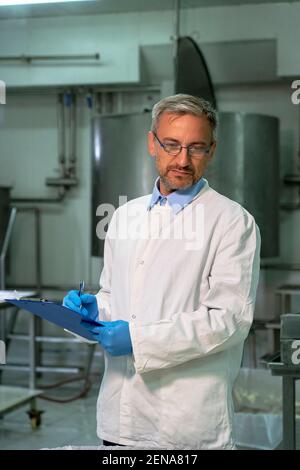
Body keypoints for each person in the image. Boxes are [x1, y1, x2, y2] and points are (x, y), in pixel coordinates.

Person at [63, 94, 260, 450]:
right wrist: (96, 308)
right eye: (171, 145)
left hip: (186, 426)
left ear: (211, 151)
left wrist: (138, 341)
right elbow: (113, 295)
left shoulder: (233, 222)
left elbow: (229, 319)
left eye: (196, 148)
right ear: (151, 144)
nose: (182, 160)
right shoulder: (124, 216)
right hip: (121, 420)